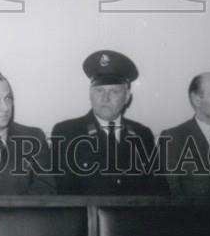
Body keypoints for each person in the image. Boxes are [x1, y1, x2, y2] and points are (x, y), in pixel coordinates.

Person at [51, 50, 166, 195]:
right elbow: (64, 192)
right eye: (99, 91)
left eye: (114, 92)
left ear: (127, 97)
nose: (105, 98)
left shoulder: (142, 135)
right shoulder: (67, 132)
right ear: (90, 94)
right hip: (87, 217)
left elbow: (159, 192)